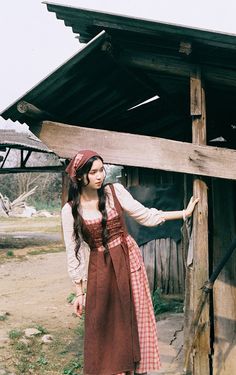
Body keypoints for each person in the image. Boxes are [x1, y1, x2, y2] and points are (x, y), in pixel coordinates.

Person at [61, 150, 199, 375]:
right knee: (104, 322)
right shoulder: (70, 210)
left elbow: (146, 215)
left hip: (128, 258)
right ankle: (113, 369)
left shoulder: (114, 191)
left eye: (101, 170)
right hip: (100, 267)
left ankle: (135, 369)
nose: (99, 176)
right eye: (93, 172)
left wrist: (184, 212)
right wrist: (79, 292)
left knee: (134, 315)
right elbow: (74, 251)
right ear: (79, 176)